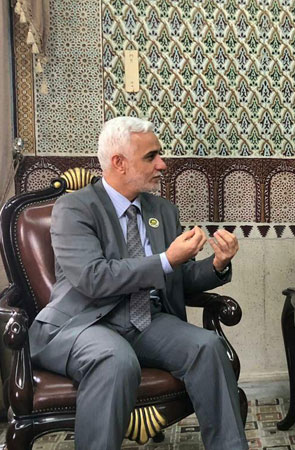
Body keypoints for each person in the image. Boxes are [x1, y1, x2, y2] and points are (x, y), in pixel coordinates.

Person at [28, 117, 248, 450]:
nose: (162, 164)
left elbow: (178, 276)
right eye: (151, 156)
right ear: (119, 162)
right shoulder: (74, 209)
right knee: (114, 359)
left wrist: (217, 264)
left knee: (208, 347)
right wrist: (166, 259)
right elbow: (93, 277)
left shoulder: (163, 210)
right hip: (83, 322)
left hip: (146, 321)